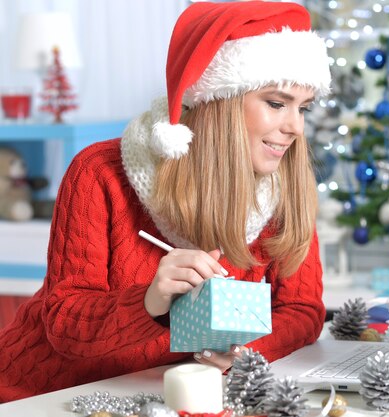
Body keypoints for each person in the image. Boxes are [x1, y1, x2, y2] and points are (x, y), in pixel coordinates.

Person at [0, 0, 331, 402]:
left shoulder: (286, 189)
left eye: (304, 108)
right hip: (46, 392)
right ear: (218, 103)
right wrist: (149, 301)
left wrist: (244, 354)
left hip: (163, 397)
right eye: (277, 103)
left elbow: (301, 309)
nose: (295, 127)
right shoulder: (100, 172)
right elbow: (65, 324)